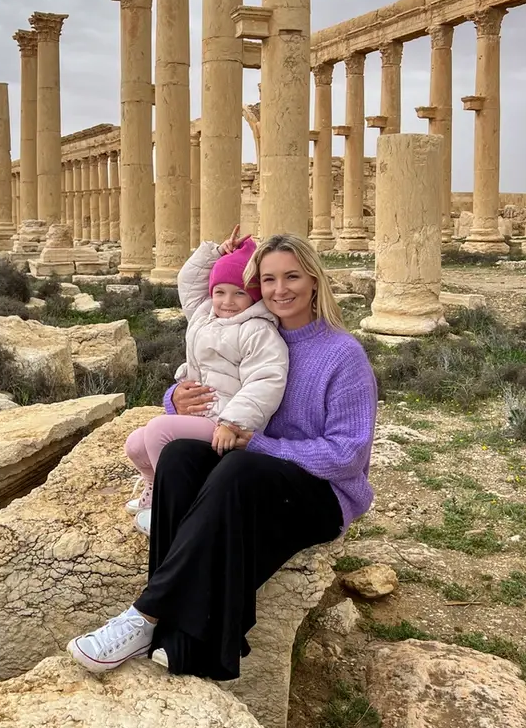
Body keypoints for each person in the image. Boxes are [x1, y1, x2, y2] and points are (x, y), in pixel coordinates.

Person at [67, 233, 377, 679]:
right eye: (268, 279)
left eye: (291, 276)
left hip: (322, 494)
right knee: (177, 459)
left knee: (237, 467)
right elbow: (214, 385)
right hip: (255, 474)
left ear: (313, 280)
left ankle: (146, 615)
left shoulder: (341, 354)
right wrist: (177, 398)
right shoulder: (251, 331)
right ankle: (183, 646)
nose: (280, 289)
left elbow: (347, 456)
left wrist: (259, 444)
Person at [124, 226, 289, 536]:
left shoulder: (257, 330)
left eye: (239, 292)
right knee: (134, 444)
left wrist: (232, 421)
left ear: (253, 296)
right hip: (201, 414)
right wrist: (215, 253)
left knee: (159, 431)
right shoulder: (204, 314)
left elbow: (265, 381)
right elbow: (188, 281)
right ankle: (151, 489)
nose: (227, 301)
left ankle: (173, 504)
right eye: (219, 292)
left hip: (225, 423)